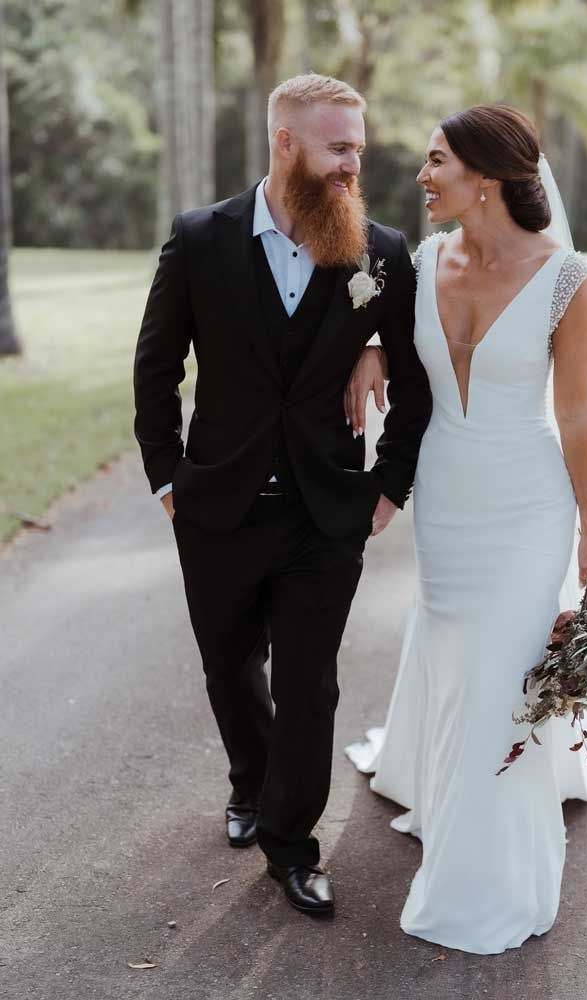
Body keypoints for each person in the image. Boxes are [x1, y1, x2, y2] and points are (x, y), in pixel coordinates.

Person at [133, 73, 431, 918]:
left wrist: (389, 490)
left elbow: (415, 381)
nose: (352, 167)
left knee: (310, 682)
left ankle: (292, 846)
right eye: (338, 148)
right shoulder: (199, 239)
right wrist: (167, 480)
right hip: (216, 505)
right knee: (230, 665)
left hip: (325, 509)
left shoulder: (381, 251)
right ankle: (250, 783)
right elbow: (156, 369)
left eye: (359, 151)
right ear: (286, 144)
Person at [344, 104, 587, 955]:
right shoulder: (426, 260)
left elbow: (574, 411)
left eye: (437, 162)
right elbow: (411, 357)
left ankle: (490, 876)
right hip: (449, 497)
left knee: (503, 679)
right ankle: (446, 801)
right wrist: (374, 349)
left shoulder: (568, 278)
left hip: (526, 503)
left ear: (490, 175)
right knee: (456, 656)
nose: (422, 177)